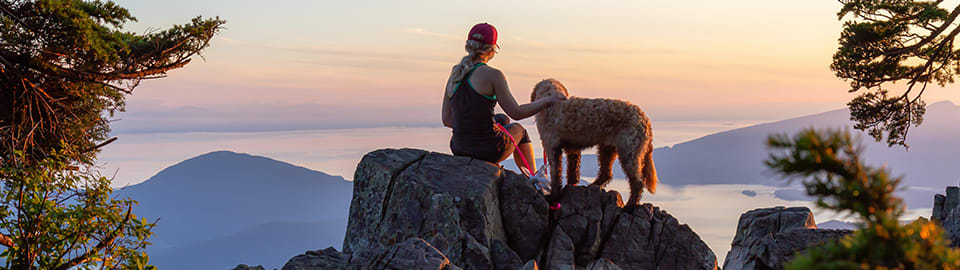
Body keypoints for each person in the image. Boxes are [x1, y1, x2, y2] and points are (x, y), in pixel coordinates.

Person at [441, 23, 565, 175]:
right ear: (492, 49)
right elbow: (517, 112)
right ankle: (534, 179)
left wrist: (471, 127)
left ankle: (489, 169)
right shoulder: (493, 75)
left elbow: (447, 119)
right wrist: (548, 100)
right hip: (489, 149)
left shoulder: (455, 74)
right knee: (520, 130)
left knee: (502, 119)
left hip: (459, 147)